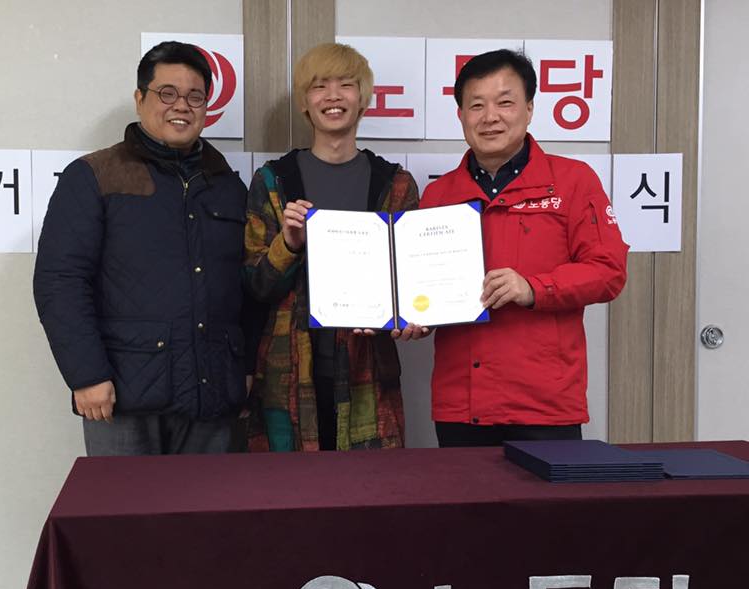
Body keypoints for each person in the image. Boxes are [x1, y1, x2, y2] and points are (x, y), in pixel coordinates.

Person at [33, 41, 251, 456]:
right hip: (122, 396)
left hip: (212, 394)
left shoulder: (227, 185)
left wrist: (246, 367)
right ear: (139, 98)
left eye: (194, 96)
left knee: (209, 501)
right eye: (167, 93)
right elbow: (59, 281)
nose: (181, 106)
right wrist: (86, 374)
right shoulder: (95, 175)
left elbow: (246, 287)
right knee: (122, 501)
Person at [419, 49, 629, 447]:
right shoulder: (438, 194)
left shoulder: (573, 181)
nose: (490, 117)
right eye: (476, 105)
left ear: (529, 109)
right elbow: (425, 286)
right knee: (461, 492)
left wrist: (533, 287)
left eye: (505, 102)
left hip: (544, 404)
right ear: (460, 115)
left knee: (548, 493)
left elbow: (608, 271)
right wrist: (413, 315)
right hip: (461, 404)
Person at [243, 43, 424, 452]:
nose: (332, 96)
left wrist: (414, 314)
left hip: (368, 374)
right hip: (288, 374)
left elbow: (410, 283)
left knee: (369, 487)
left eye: (346, 85)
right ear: (305, 102)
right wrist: (289, 244)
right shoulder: (273, 180)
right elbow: (255, 285)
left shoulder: (395, 184)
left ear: (363, 98)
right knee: (286, 488)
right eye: (319, 86)